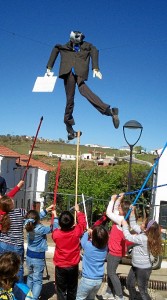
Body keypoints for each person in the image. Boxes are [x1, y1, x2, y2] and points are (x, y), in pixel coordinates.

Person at [46, 30, 119, 140]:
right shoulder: (64, 46)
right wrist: (49, 67)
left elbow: (94, 50)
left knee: (84, 92)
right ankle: (108, 112)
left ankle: (108, 112)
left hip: (79, 72)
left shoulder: (87, 46)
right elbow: (56, 49)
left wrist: (95, 68)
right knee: (70, 99)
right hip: (68, 73)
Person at [121, 207, 162, 300]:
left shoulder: (143, 238)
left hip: (143, 269)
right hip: (135, 265)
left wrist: (124, 225)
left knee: (142, 290)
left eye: (143, 223)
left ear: (146, 228)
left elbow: (128, 236)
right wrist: (132, 213)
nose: (141, 223)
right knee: (129, 284)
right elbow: (134, 225)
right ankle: (133, 298)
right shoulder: (146, 234)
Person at [52, 203, 86, 300]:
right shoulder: (76, 232)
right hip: (73, 265)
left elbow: (55, 229)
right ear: (72, 223)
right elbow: (83, 224)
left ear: (60, 223)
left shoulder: (56, 234)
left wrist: (55, 216)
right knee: (72, 288)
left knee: (61, 289)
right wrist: (78, 211)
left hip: (61, 266)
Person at [24, 205, 57, 300]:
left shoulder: (28, 225)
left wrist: (46, 210)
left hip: (29, 256)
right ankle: (34, 298)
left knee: (30, 277)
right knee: (38, 280)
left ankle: (28, 295)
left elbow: (36, 218)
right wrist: (55, 217)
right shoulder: (40, 229)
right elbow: (53, 228)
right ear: (37, 220)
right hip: (38, 258)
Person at [105, 193, 131, 300]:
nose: (118, 206)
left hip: (115, 252)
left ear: (124, 211)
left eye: (120, 206)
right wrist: (119, 199)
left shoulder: (121, 221)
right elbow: (115, 209)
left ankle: (119, 295)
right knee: (110, 271)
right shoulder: (121, 217)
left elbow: (108, 213)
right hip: (113, 250)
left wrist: (112, 199)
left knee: (111, 273)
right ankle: (109, 290)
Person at [0, 180, 25, 282]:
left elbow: (9, 197)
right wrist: (18, 186)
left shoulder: (3, 210)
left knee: (3, 264)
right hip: (16, 244)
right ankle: (18, 287)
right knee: (18, 266)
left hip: (3, 242)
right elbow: (33, 217)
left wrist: (18, 186)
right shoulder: (19, 212)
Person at [76, 225, 108, 300]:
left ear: (93, 238)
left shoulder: (88, 246)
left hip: (87, 280)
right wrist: (93, 235)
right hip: (98, 281)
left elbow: (83, 240)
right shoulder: (105, 248)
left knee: (79, 298)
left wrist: (87, 232)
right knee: (90, 298)